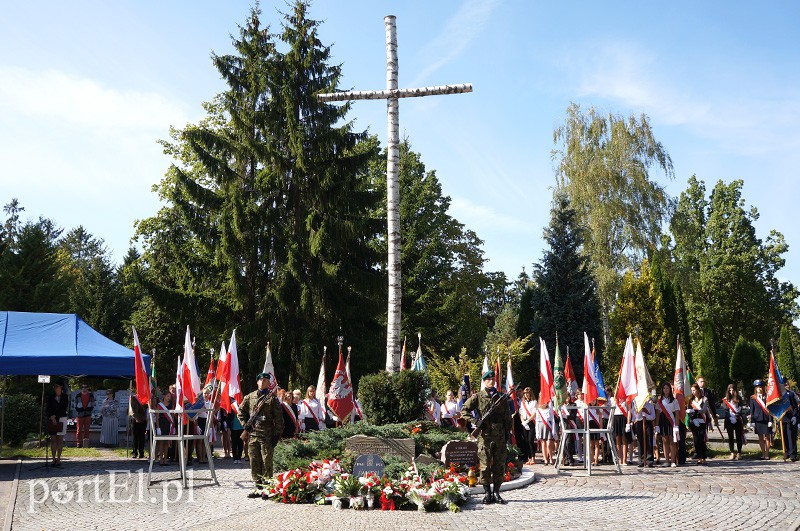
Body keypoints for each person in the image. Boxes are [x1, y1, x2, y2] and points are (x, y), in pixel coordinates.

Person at [461, 370, 512, 505]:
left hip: (499, 436)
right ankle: (487, 493)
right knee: (485, 467)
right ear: (484, 381)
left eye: (492, 379)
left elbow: (507, 418)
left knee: (499, 465)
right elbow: (463, 411)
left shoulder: (501, 397)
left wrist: (507, 434)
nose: (491, 381)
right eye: (488, 379)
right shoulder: (478, 397)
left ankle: (496, 492)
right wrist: (476, 422)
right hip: (485, 436)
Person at [238, 372, 283, 498]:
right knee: (254, 460)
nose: (262, 382)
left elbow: (279, 418)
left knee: (266, 461)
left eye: (265, 380)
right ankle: (257, 487)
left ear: (269, 383)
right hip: (253, 434)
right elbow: (240, 411)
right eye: (260, 380)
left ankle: (268, 487)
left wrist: (276, 434)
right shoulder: (250, 397)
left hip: (267, 434)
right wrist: (245, 425)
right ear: (257, 382)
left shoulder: (272, 398)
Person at [655, 382, 680, 468]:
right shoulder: (660, 401)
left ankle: (672, 461)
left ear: (670, 389)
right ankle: (666, 460)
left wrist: (676, 425)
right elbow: (657, 414)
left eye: (667, 388)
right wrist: (657, 425)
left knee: (672, 442)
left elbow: (677, 414)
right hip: (663, 421)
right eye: (664, 388)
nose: (666, 390)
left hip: (671, 421)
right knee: (665, 442)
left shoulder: (674, 400)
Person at [748, 380, 772, 460]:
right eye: (758, 387)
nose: (759, 389)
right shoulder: (753, 398)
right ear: (755, 388)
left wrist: (770, 420)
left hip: (766, 419)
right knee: (760, 437)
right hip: (758, 419)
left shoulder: (767, 396)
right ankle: (763, 453)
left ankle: (767, 454)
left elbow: (770, 410)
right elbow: (752, 410)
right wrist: (752, 421)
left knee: (767, 437)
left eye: (760, 387)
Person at [46, 382, 69, 466]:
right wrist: (52, 417)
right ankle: (53, 459)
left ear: (61, 388)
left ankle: (59, 459)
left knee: (60, 439)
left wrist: (55, 416)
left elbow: (63, 408)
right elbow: (48, 409)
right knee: (53, 440)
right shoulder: (51, 397)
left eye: (58, 387)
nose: (57, 389)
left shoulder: (65, 397)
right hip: (52, 419)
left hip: (62, 418)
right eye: (56, 388)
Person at [688, 383, 711, 464]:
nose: (693, 392)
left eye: (694, 390)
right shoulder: (691, 400)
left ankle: (703, 457)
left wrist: (695, 411)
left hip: (701, 421)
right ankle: (698, 455)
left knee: (702, 439)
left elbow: (704, 410)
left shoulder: (704, 399)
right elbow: (689, 410)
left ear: (698, 390)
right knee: (696, 440)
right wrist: (692, 415)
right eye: (692, 391)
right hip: (694, 421)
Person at [722, 384, 745, 460]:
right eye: (730, 390)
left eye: (733, 390)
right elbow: (725, 410)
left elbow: (741, 409)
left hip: (737, 420)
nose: (731, 392)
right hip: (729, 420)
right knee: (730, 437)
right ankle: (732, 452)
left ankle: (739, 452)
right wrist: (730, 417)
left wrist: (737, 416)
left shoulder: (739, 398)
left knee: (738, 436)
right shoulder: (725, 399)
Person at [632, 396, 656, 468]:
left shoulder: (650, 405)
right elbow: (634, 416)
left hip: (648, 423)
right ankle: (641, 460)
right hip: (639, 423)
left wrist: (645, 415)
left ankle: (649, 460)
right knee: (640, 441)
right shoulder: (636, 406)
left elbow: (653, 416)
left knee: (649, 441)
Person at [535, 394, 557, 465]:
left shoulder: (550, 408)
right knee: (543, 443)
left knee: (549, 443)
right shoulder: (538, 409)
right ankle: (545, 459)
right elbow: (537, 421)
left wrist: (553, 429)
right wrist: (537, 432)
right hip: (541, 426)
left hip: (549, 426)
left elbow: (552, 420)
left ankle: (551, 458)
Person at [779, 378, 798, 462]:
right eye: (784, 384)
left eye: (787, 383)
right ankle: (786, 452)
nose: (786, 385)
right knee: (784, 436)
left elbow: (796, 406)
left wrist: (795, 416)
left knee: (791, 437)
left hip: (790, 418)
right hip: (782, 418)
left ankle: (793, 454)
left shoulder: (791, 393)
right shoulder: (778, 395)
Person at [518, 387, 537, 465]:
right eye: (525, 393)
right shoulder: (523, 402)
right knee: (526, 441)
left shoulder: (534, 402)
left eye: (527, 393)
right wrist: (523, 421)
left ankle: (533, 457)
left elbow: (534, 413)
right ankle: (529, 458)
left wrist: (528, 421)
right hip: (524, 422)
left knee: (530, 440)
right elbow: (521, 412)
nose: (526, 395)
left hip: (531, 422)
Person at [156, 392, 175, 466]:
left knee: (167, 442)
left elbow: (172, 417)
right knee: (161, 442)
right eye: (167, 396)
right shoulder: (159, 405)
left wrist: (172, 427)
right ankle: (161, 459)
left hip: (168, 424)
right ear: (164, 396)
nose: (169, 398)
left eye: (170, 396)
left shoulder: (171, 405)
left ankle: (165, 459)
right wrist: (158, 427)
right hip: (161, 424)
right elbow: (157, 418)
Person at [129, 392, 147, 459]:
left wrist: (143, 418)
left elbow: (146, 408)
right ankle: (134, 452)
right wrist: (136, 418)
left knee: (142, 437)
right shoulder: (133, 398)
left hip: (143, 419)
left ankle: (141, 452)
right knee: (135, 437)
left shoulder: (145, 398)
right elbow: (132, 410)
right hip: (135, 420)